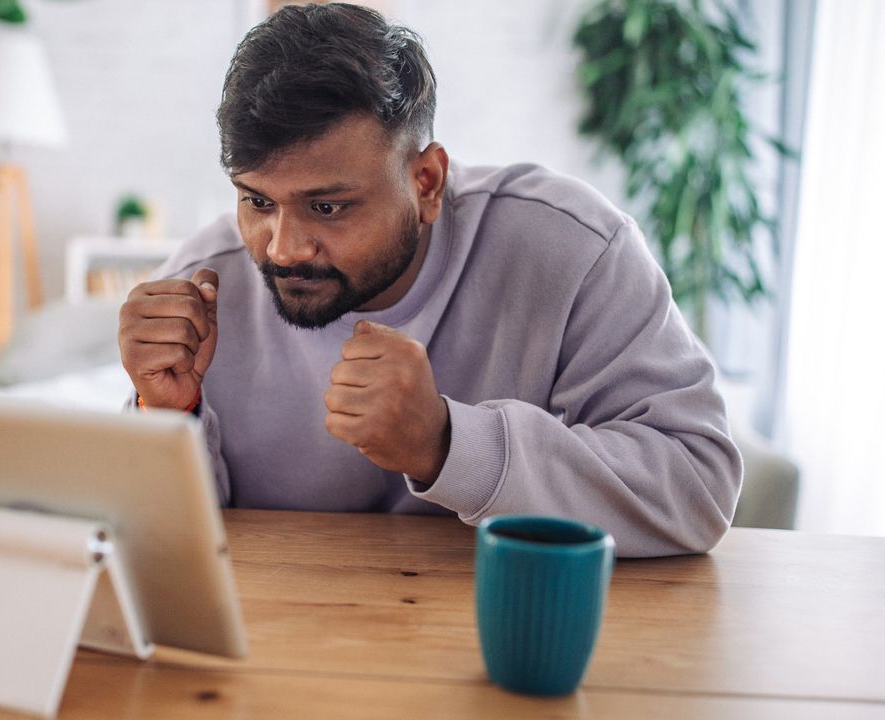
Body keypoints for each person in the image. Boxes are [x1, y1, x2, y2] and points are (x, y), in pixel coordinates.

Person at [117, 3, 742, 558]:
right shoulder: (204, 286)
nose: (283, 249)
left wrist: (447, 444)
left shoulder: (571, 249)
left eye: (327, 207)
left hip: (509, 640)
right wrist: (169, 415)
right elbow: (158, 549)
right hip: (272, 649)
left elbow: (698, 484)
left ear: (427, 183)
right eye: (257, 202)